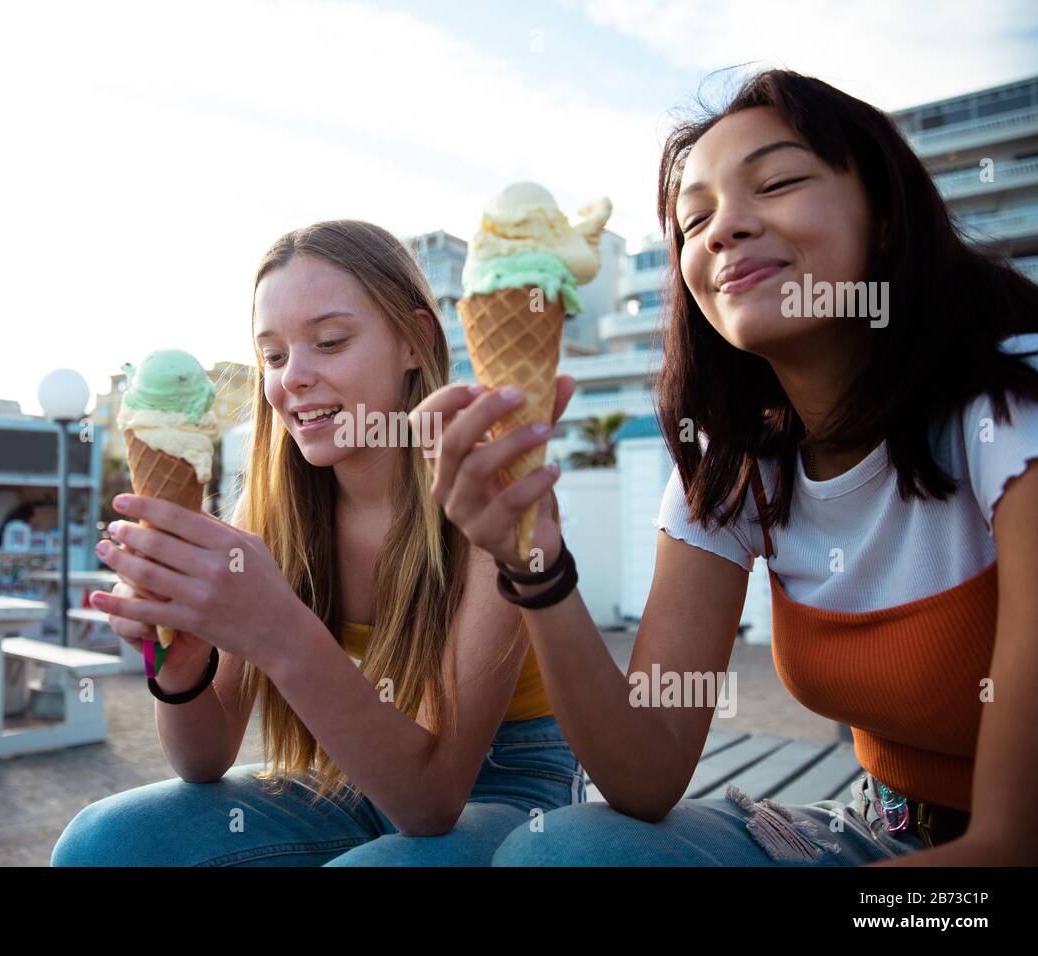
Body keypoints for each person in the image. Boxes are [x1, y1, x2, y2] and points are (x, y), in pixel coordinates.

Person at [415, 69, 1038, 866]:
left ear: (884, 213)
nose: (722, 230)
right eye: (694, 219)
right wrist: (533, 561)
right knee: (564, 854)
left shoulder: (1009, 407)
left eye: (775, 182)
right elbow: (644, 769)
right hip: (878, 838)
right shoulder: (734, 466)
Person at [51, 219, 584, 867]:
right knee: (102, 842)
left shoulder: (487, 488)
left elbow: (432, 799)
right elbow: (204, 757)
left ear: (415, 340)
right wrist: (179, 664)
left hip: (511, 786)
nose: (292, 378)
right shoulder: (267, 510)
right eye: (272, 356)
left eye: (329, 342)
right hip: (363, 772)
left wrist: (281, 632)